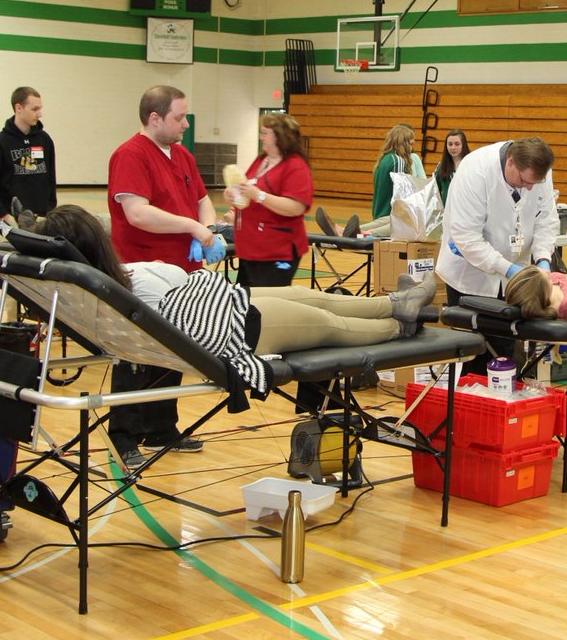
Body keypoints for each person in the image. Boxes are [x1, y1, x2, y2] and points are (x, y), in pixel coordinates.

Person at [36, 205, 437, 355]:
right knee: (330, 324)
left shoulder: (110, 281)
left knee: (309, 295)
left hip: (224, 301)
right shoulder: (117, 288)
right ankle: (399, 326)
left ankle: (396, 304)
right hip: (235, 328)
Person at [106, 85, 222, 467]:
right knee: (135, 354)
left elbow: (202, 199)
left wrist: (208, 230)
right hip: (143, 272)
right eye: (179, 117)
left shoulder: (182, 155)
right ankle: (123, 435)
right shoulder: (130, 155)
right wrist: (191, 226)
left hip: (182, 272)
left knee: (173, 350)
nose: (186, 124)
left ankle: (160, 427)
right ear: (155, 118)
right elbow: (137, 213)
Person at [437, 136, 560, 373]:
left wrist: (543, 259)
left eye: (535, 183)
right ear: (511, 162)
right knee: (472, 353)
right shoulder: (475, 170)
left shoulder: (538, 171)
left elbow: (546, 220)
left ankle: (501, 393)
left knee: (504, 350)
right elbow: (467, 237)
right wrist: (509, 269)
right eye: (524, 181)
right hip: (470, 273)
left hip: (514, 275)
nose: (530, 188)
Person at [228, 113, 314, 288]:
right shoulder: (262, 160)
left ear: (280, 136)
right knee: (246, 299)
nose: (261, 137)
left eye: (265, 133)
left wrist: (259, 196)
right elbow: (249, 189)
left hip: (276, 250)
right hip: (250, 247)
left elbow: (296, 207)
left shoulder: (295, 166)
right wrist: (235, 194)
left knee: (269, 299)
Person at [0, 86, 57, 231]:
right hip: (9, 218)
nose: (40, 114)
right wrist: (3, 215)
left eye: (40, 109)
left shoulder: (45, 140)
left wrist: (50, 211)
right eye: (34, 109)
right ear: (19, 108)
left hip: (41, 217)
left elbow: (50, 179)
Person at [371, 123, 419, 219]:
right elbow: (400, 194)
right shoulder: (398, 161)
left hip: (378, 213)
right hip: (390, 215)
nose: (412, 147)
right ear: (403, 142)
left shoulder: (384, 159)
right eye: (411, 144)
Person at [434, 129, 468, 205]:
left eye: (457, 144)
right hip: (447, 210)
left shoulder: (471, 165)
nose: (453, 147)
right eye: (450, 144)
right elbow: (435, 191)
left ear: (463, 145)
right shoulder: (441, 167)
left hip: (466, 208)